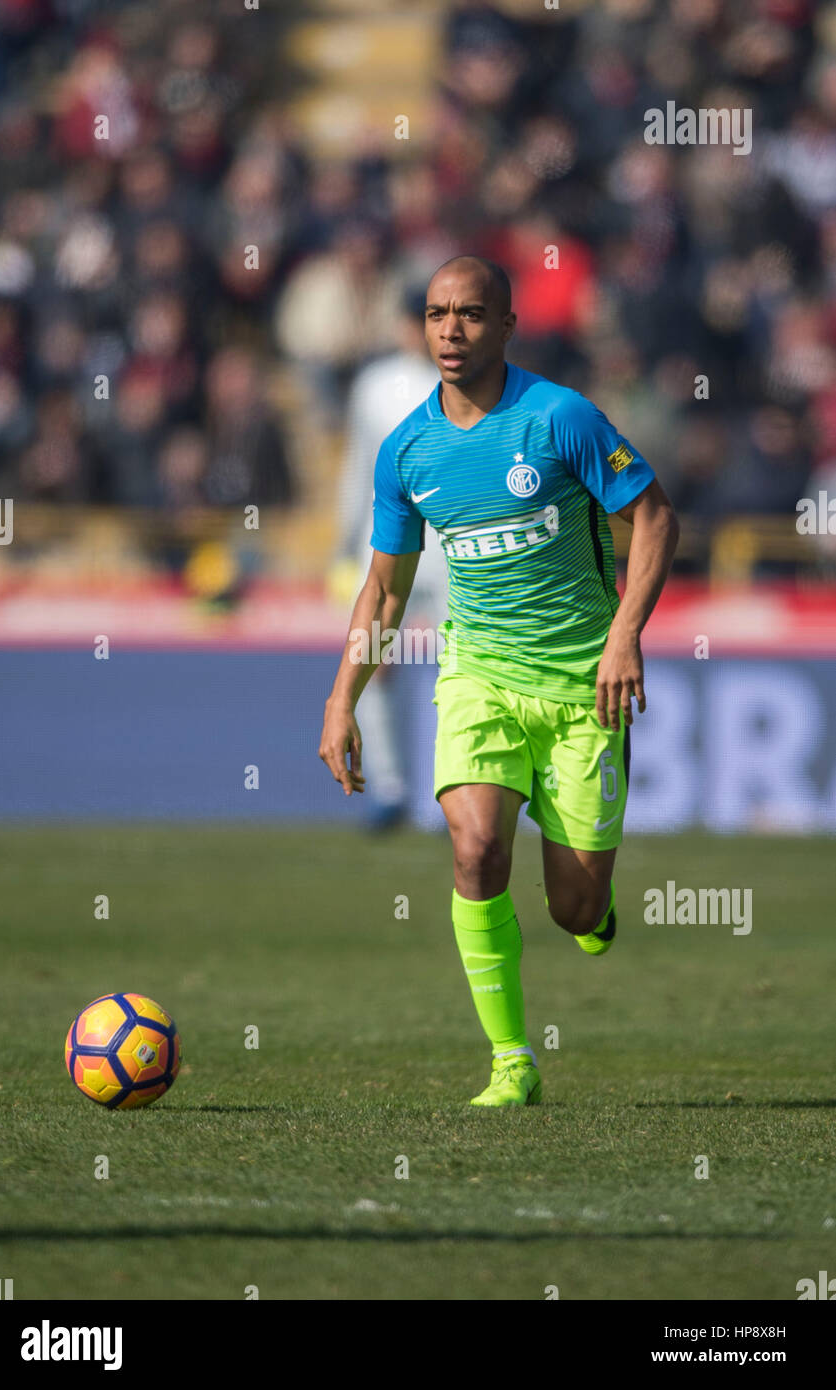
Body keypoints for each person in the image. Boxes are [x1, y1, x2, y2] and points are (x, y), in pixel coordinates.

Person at [319, 255, 679, 1107]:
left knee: (572, 908)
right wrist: (341, 700)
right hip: (476, 674)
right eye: (439, 313)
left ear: (506, 325)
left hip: (582, 686)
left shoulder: (562, 419)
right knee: (475, 849)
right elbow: (384, 587)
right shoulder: (406, 449)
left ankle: (594, 913)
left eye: (472, 314)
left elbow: (655, 516)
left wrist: (624, 633)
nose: (451, 329)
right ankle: (511, 1060)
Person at [332, 286, 443, 829]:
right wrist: (342, 539)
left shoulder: (470, 383)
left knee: (463, 671)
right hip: (384, 546)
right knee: (375, 667)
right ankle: (390, 787)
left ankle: (461, 783)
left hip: (453, 552)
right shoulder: (375, 385)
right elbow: (358, 467)